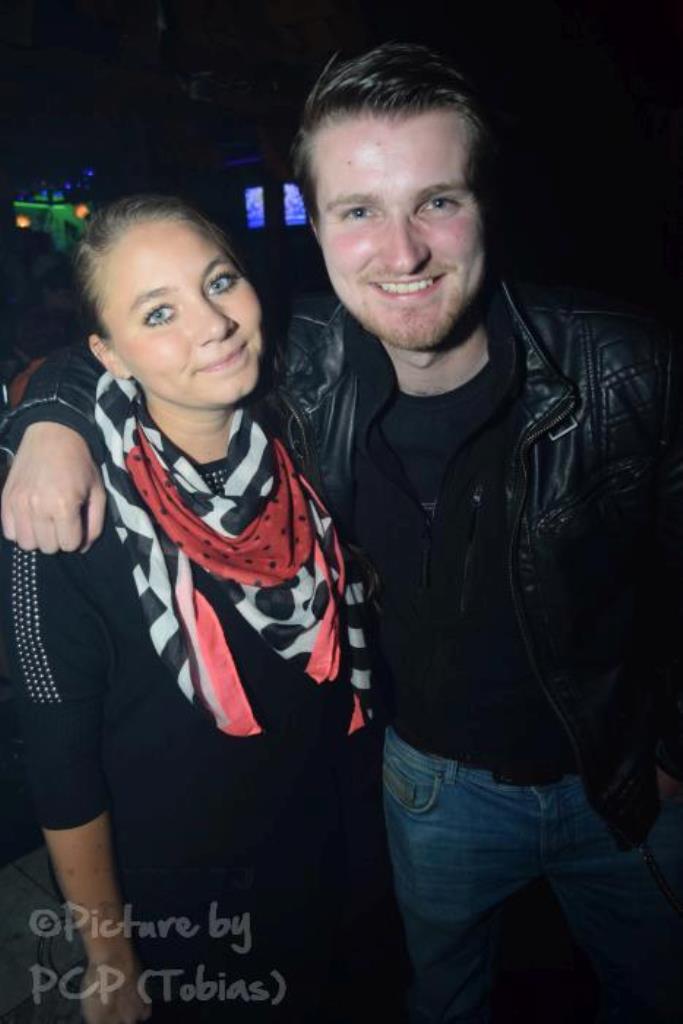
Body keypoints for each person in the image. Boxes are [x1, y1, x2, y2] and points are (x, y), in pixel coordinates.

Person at [2, 42, 683, 1024]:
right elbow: (122, 348)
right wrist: (46, 421)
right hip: (413, 799)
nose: (401, 254)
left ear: (485, 203)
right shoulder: (294, 381)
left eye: (436, 201)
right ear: (314, 225)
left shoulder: (623, 367)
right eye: (359, 211)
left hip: (608, 790)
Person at [0, 194, 385, 1024]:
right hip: (192, 893)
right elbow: (59, 763)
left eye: (218, 282)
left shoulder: (305, 420)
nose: (212, 324)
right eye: (158, 312)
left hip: (341, 843)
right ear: (109, 353)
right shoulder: (65, 512)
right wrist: (109, 955)